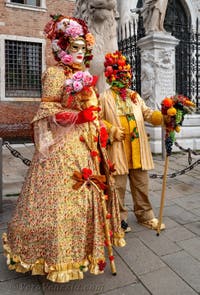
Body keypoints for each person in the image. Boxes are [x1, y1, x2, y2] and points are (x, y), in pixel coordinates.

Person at [2, 16, 125, 283]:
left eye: (83, 48)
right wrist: (76, 117)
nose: (80, 53)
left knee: (86, 199)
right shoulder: (54, 74)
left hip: (88, 147)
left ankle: (83, 252)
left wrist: (108, 129)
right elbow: (46, 111)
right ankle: (54, 256)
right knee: (61, 200)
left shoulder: (87, 78)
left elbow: (93, 114)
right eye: (74, 48)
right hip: (63, 147)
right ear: (62, 49)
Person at [99, 50, 166, 233]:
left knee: (142, 185)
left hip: (138, 150)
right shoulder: (104, 98)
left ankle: (145, 216)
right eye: (121, 74)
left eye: (127, 73)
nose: (126, 77)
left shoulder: (135, 97)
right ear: (111, 75)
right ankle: (119, 220)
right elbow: (95, 120)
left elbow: (148, 114)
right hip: (117, 151)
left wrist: (164, 116)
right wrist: (111, 130)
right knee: (117, 188)